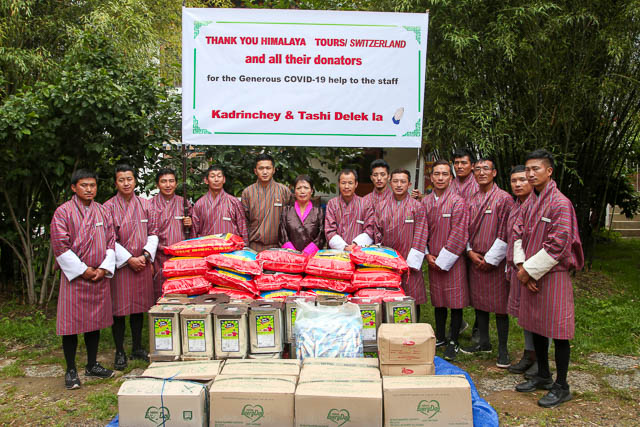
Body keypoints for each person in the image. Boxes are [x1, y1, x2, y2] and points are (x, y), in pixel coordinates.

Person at [513, 149, 583, 408]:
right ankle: (543, 374)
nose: (530, 174)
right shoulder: (529, 201)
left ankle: (562, 385)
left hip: (552, 274)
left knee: (558, 331)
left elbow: (559, 243)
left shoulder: (560, 202)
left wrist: (528, 271)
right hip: (529, 272)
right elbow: (516, 232)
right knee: (536, 325)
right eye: (528, 169)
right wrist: (522, 267)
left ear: (549, 171)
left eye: (536, 169)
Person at [50, 169, 116, 389]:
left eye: (93, 185)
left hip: (99, 275)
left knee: (94, 322)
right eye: (84, 185)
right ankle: (70, 369)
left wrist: (103, 268)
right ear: (73, 187)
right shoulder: (63, 212)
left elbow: (111, 242)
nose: (89, 189)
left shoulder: (102, 211)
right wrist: (83, 270)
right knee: (71, 325)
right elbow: (60, 246)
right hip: (76, 277)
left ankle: (92, 364)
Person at [461, 157, 514, 369]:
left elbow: (505, 231)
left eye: (486, 169)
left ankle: (503, 349)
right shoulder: (471, 198)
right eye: (478, 169)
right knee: (480, 304)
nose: (481, 173)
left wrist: (491, 259)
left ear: (494, 173)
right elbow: (463, 227)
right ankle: (484, 342)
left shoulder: (504, 199)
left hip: (496, 261)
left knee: (500, 306)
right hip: (475, 257)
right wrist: (470, 252)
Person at [104, 164, 158, 370]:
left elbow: (154, 232)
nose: (126, 183)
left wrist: (145, 255)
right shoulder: (107, 207)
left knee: (139, 308)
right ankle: (119, 351)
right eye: (121, 180)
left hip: (142, 263)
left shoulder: (146, 205)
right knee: (119, 310)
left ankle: (137, 347)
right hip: (122, 266)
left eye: (129, 179)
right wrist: (129, 259)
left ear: (135, 181)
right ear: (115, 182)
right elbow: (109, 238)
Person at [422, 160, 470, 361]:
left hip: (452, 259)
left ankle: (454, 341)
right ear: (431, 178)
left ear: (451, 178)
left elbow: (460, 232)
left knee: (455, 300)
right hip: (432, 257)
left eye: (444, 174)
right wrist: (426, 254)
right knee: (439, 299)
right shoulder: (424, 203)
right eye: (437, 174)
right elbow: (420, 230)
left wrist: (443, 258)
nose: (440, 178)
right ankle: (440, 337)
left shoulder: (458, 202)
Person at [374, 169, 428, 310]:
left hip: (409, 261)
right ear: (390, 183)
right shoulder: (381, 206)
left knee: (412, 297)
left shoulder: (417, 207)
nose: (399, 185)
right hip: (388, 261)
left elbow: (421, 234)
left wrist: (410, 262)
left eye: (403, 181)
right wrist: (384, 257)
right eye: (396, 181)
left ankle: (414, 329)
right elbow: (377, 233)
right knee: (388, 296)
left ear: (409, 184)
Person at [505, 165, 536, 376]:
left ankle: (539, 361)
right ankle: (529, 354)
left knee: (536, 314)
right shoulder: (515, 204)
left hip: (533, 269)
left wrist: (531, 270)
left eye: (523, 180)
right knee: (524, 314)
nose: (518, 184)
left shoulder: (539, 205)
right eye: (514, 180)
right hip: (517, 266)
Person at [149, 168, 192, 300]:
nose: (168, 185)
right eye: (164, 181)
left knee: (181, 291)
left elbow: (194, 231)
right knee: (159, 292)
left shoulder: (184, 203)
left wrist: (189, 224)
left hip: (180, 256)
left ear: (176, 183)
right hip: (159, 257)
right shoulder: (149, 204)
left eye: (171, 181)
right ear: (157, 184)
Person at [242, 153, 292, 251]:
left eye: (268, 168)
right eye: (261, 168)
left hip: (279, 246)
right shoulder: (248, 192)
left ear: (273, 170)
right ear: (255, 171)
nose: (265, 172)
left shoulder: (284, 191)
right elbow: (244, 222)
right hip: (254, 246)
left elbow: (290, 220)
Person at [191, 165, 248, 245]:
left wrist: (244, 246)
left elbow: (243, 228)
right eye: (212, 176)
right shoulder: (199, 204)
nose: (216, 179)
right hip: (207, 248)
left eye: (219, 176)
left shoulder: (234, 202)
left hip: (231, 250)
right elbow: (194, 232)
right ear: (206, 180)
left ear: (224, 179)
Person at [324, 169, 375, 250]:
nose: (346, 186)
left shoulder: (365, 204)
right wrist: (344, 247)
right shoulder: (332, 204)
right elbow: (329, 230)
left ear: (356, 184)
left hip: (359, 251)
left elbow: (370, 230)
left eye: (350, 183)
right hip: (337, 252)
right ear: (338, 184)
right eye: (343, 183)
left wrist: (355, 245)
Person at [279, 175, 325, 255]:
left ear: (312, 191)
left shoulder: (318, 211)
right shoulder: (286, 211)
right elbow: (282, 233)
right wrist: (292, 251)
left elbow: (321, 235)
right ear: (294, 191)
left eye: (306, 188)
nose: (302, 191)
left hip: (312, 256)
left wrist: (308, 251)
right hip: (290, 256)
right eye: (299, 188)